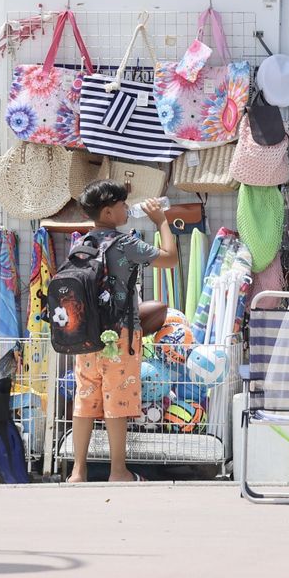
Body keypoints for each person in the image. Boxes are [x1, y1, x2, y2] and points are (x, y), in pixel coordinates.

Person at [67, 180, 179, 484]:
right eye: (121, 205)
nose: (126, 209)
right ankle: (118, 471)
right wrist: (161, 221)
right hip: (121, 336)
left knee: (85, 401)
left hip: (86, 338)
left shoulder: (81, 244)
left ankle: (78, 471)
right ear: (108, 211)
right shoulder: (126, 243)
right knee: (116, 402)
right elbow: (170, 258)